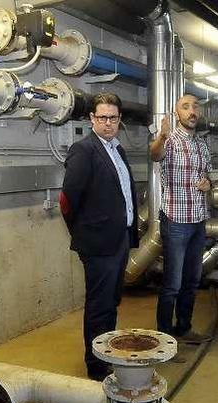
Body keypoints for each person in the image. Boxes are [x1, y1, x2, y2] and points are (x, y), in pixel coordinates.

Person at [60, 92, 139, 381]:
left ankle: (108, 353)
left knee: (111, 304)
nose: (108, 123)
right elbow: (68, 201)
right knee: (98, 307)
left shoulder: (117, 150)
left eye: (113, 118)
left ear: (119, 120)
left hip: (119, 241)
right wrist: (85, 235)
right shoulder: (84, 150)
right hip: (98, 245)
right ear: (92, 118)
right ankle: (96, 366)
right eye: (102, 117)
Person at [149, 94, 213, 344]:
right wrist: (162, 135)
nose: (191, 111)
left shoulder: (202, 144)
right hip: (175, 221)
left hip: (198, 220)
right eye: (185, 107)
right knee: (172, 284)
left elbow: (208, 175)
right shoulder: (170, 140)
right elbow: (155, 155)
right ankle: (164, 338)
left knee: (192, 281)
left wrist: (208, 183)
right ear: (177, 114)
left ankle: (184, 328)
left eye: (195, 106)